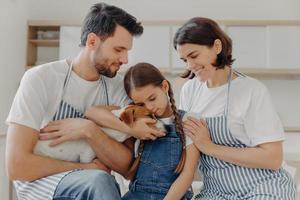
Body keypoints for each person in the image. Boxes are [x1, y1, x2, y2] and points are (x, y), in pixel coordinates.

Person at [4, 3, 159, 200]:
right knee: (100, 180)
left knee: (101, 181)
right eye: (119, 49)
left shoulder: (120, 88)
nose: (125, 59)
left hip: (92, 182)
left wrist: (89, 130)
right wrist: (84, 168)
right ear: (92, 41)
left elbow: (127, 167)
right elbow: (17, 165)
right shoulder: (40, 78)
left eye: (127, 51)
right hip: (40, 182)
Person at [173, 17, 296, 199]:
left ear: (216, 47)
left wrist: (209, 147)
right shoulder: (189, 91)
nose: (190, 66)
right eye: (185, 60)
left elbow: (273, 158)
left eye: (194, 55)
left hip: (263, 186)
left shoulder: (251, 90)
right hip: (216, 192)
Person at [85, 63, 199, 200]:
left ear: (164, 86)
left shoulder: (187, 120)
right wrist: (131, 129)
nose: (149, 107)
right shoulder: (136, 121)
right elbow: (91, 112)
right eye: (141, 104)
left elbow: (187, 175)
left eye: (152, 98)